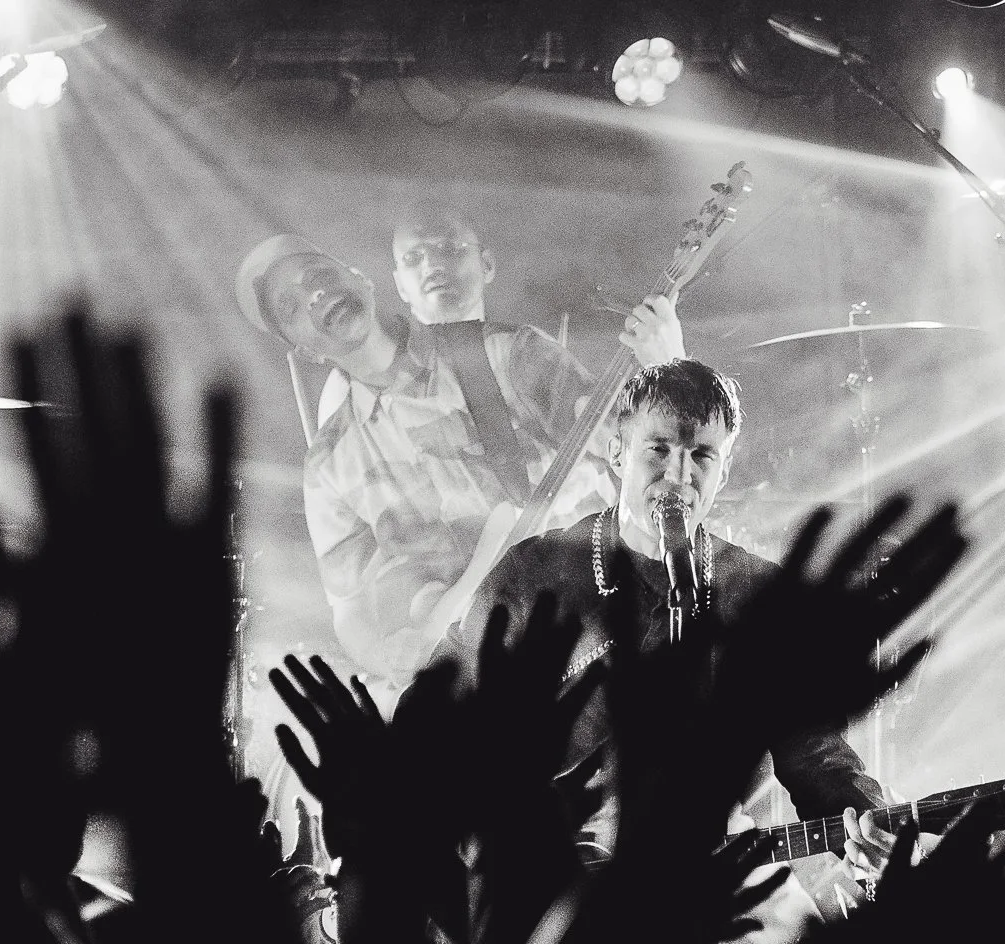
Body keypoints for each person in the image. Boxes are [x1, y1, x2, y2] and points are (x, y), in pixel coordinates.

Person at [437, 357, 897, 890]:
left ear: (724, 471)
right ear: (618, 452)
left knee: (801, 940)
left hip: (711, 876)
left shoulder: (757, 594)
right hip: (546, 887)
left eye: (701, 455)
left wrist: (868, 831)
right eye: (658, 450)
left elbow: (816, 754)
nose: (678, 476)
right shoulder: (536, 571)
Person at [234, 217, 682, 685]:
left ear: (360, 279)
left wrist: (671, 366)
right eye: (291, 306)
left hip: (597, 635)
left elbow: (649, 459)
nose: (314, 295)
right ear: (306, 352)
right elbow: (349, 609)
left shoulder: (506, 353)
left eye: (318, 275)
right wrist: (391, 657)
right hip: (481, 686)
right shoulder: (327, 464)